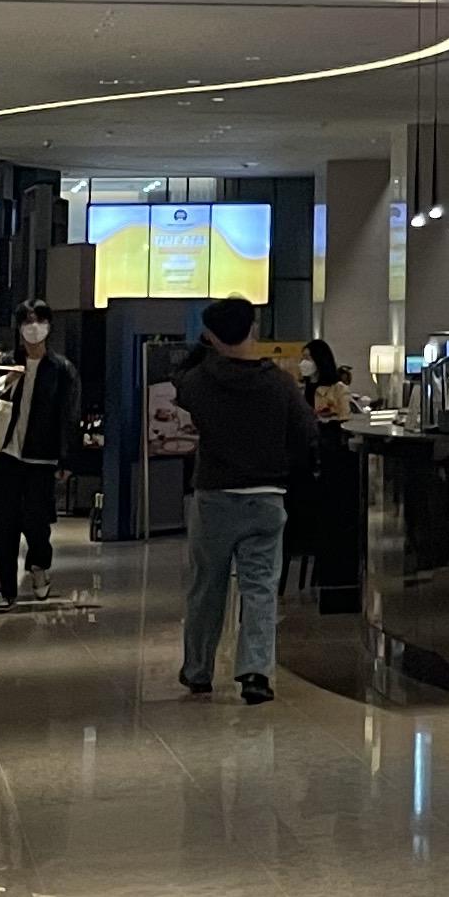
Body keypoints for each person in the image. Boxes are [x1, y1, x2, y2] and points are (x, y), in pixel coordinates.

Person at [171, 292, 315, 703]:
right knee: (260, 588)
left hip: (214, 495)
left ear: (211, 336)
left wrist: (204, 349)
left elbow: (179, 380)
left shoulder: (199, 383)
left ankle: (198, 669)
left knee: (206, 586)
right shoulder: (280, 384)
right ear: (254, 329)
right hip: (266, 496)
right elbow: (307, 434)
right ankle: (255, 673)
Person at [0, 304, 81, 603]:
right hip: (5, 453)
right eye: (27, 321)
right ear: (18, 327)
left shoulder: (61, 369)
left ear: (49, 326)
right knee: (4, 522)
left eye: (39, 321)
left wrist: (67, 458)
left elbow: (69, 416)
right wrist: (5, 381)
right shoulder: (5, 363)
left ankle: (39, 565)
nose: (33, 327)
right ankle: (7, 587)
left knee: (37, 522)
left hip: (42, 458)